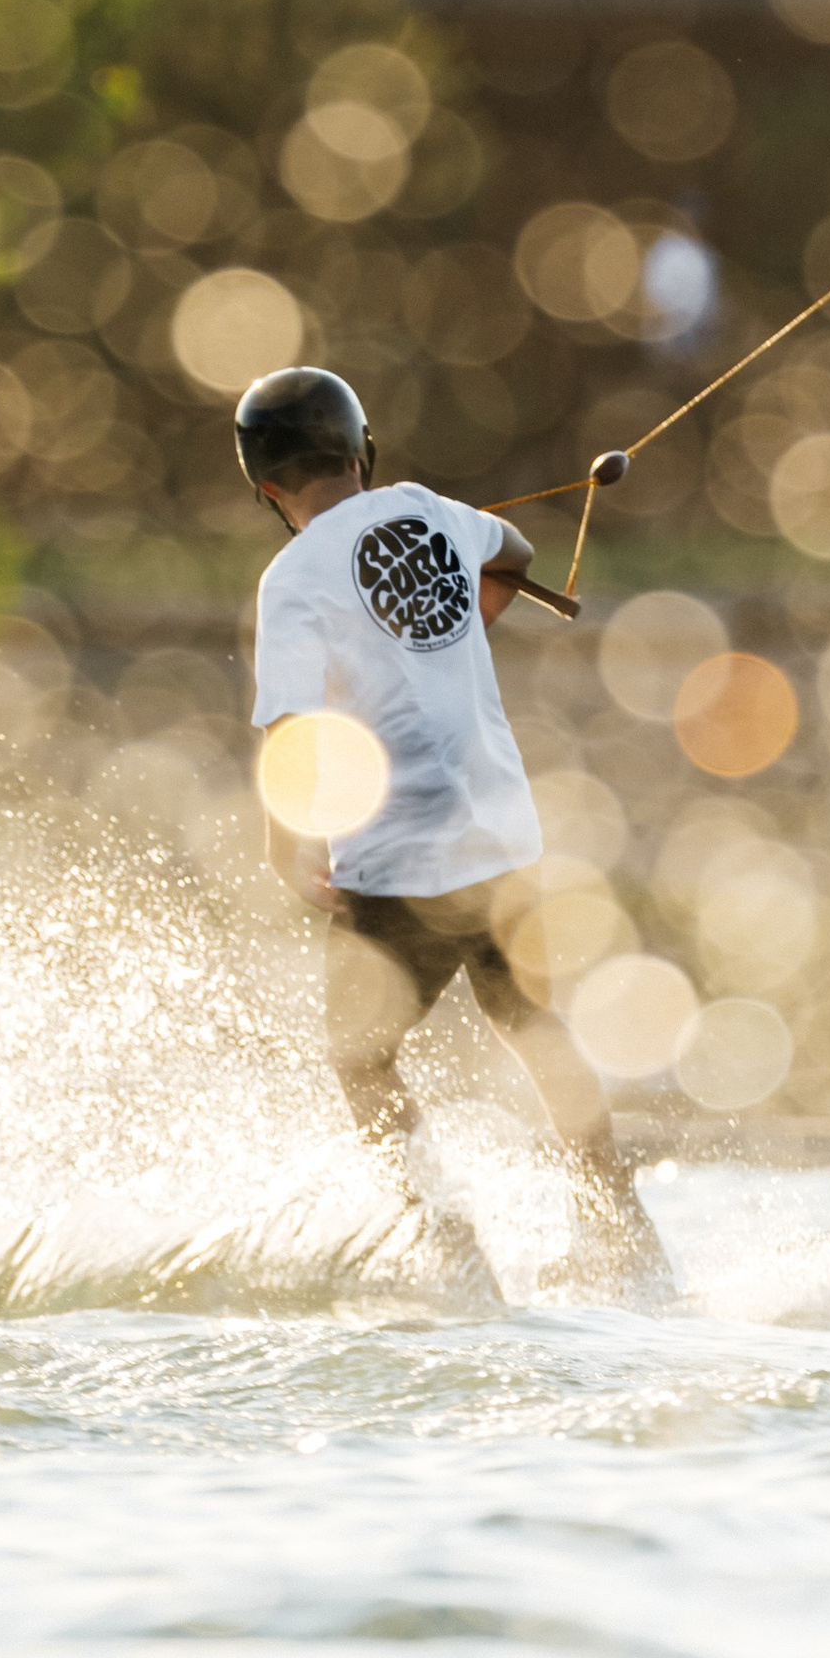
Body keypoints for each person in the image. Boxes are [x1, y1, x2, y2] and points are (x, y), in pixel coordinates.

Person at [238, 364, 672, 1300]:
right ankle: (625, 1239)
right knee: (538, 1029)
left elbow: (291, 731)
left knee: (359, 1061)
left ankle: (454, 1254)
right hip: (505, 834)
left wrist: (285, 849)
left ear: (266, 488)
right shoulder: (431, 507)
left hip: (401, 856)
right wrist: (464, 610)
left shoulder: (291, 578)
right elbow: (511, 549)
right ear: (364, 450)